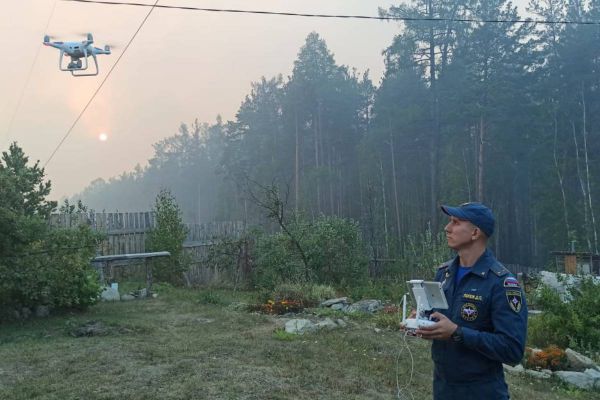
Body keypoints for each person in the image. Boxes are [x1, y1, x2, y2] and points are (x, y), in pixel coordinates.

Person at [416, 202, 527, 400]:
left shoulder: (502, 283)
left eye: (455, 222)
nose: (447, 228)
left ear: (475, 233)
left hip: (482, 392)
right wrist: (421, 321)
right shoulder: (444, 273)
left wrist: (457, 333)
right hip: (443, 388)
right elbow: (442, 318)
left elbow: (512, 349)